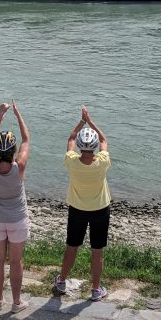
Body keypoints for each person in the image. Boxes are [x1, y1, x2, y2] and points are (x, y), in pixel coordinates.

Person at [53, 105, 111, 302]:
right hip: (100, 210)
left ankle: (61, 281)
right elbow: (104, 140)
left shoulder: (72, 161)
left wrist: (81, 122)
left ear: (79, 145)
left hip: (77, 209)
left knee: (72, 246)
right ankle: (95, 289)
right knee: (97, 250)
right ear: (94, 147)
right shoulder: (102, 161)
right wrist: (91, 121)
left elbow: (70, 139)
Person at [0, 101, 31, 313]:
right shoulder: (19, 167)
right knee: (15, 261)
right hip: (17, 220)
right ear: (12, 151)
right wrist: (18, 113)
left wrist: (1, 114)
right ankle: (16, 302)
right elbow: (26, 139)